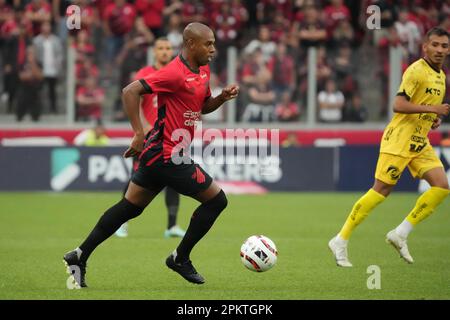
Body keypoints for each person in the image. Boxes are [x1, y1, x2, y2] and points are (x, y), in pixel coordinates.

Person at [63, 22, 239, 287]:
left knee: (129, 208)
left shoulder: (203, 69)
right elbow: (130, 91)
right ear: (190, 44)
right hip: (167, 154)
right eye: (208, 43)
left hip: (160, 153)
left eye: (213, 43)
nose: (213, 49)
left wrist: (221, 99)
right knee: (217, 201)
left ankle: (79, 255)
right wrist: (137, 132)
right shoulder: (173, 73)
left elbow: (202, 106)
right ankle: (180, 257)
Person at [329, 27, 450, 267]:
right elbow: (398, 104)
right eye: (434, 44)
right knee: (381, 190)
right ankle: (340, 239)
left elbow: (422, 105)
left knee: (442, 186)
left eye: (444, 46)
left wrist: (432, 119)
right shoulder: (416, 70)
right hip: (399, 139)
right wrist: (433, 109)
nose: (439, 50)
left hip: (419, 141)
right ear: (425, 46)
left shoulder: (441, 76)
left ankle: (401, 233)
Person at [115, 37, 186, 239]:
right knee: (136, 179)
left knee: (175, 180)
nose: (165, 51)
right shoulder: (145, 74)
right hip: (149, 137)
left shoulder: (177, 73)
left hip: (172, 138)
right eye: (161, 48)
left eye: (168, 48)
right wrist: (144, 127)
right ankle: (122, 223)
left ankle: (172, 226)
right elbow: (133, 99)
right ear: (154, 52)